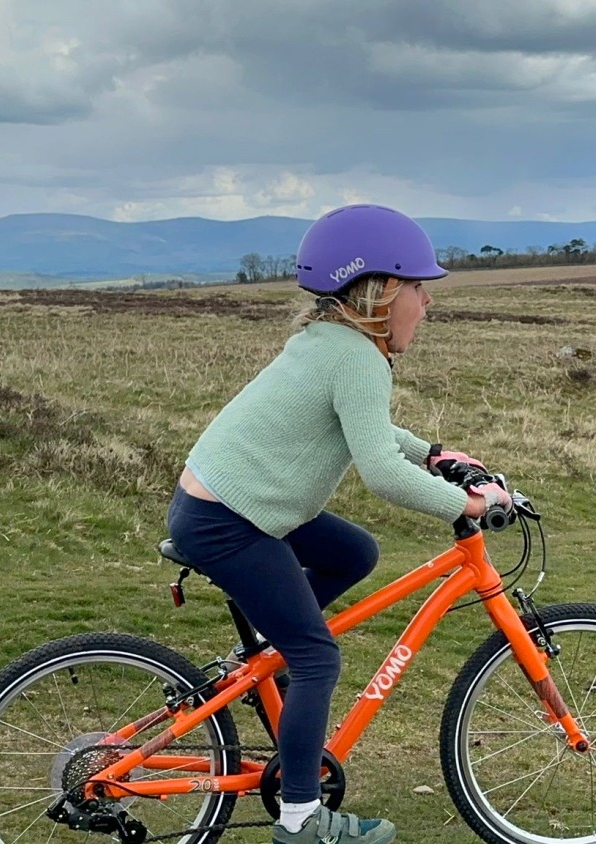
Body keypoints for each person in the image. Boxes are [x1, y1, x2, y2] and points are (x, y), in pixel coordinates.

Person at [165, 203, 511, 843]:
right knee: (318, 657)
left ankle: (270, 653)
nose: (427, 304)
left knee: (354, 552)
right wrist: (467, 504)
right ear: (380, 291)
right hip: (228, 520)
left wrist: (433, 453)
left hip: (229, 505)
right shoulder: (355, 356)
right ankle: (300, 821)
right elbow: (378, 470)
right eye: (419, 289)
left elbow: (372, 431)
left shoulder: (331, 343)